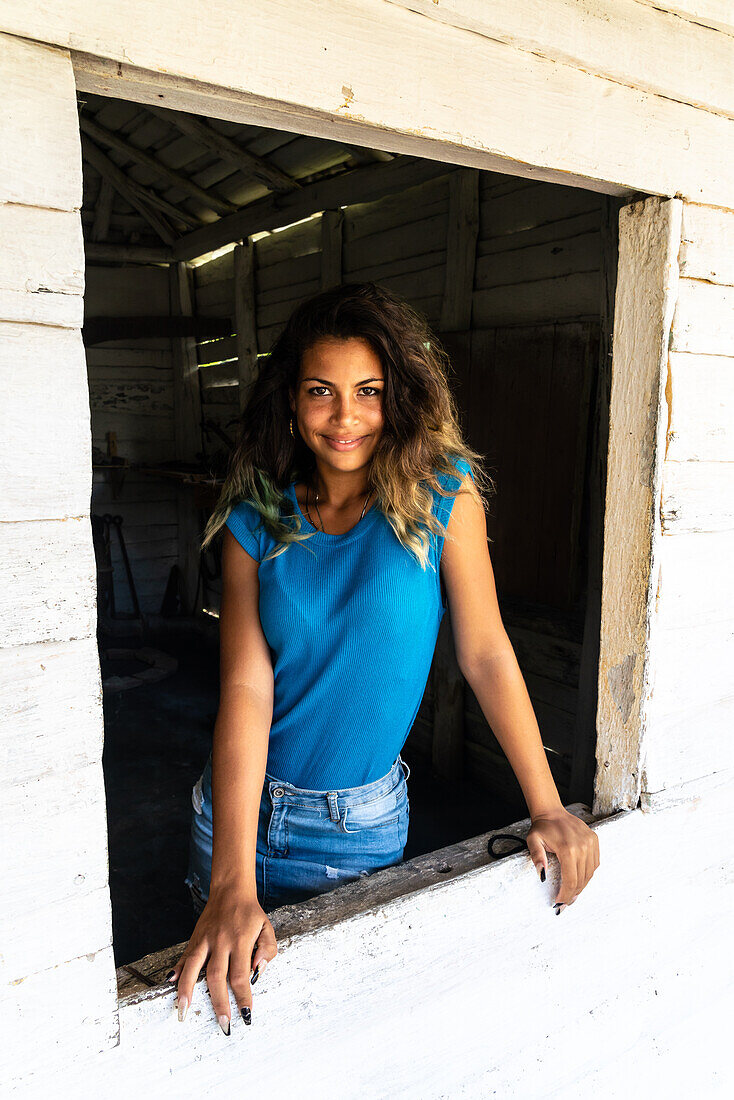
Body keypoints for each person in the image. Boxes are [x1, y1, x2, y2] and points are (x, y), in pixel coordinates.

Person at [167, 281, 600, 1034]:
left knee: (343, 1032)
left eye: (368, 391)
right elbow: (244, 682)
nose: (345, 416)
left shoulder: (441, 496)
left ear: (396, 394)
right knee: (218, 1023)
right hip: (232, 813)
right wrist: (231, 876)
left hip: (353, 827)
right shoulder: (260, 511)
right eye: (320, 392)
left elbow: (487, 651)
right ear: (291, 401)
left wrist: (547, 804)